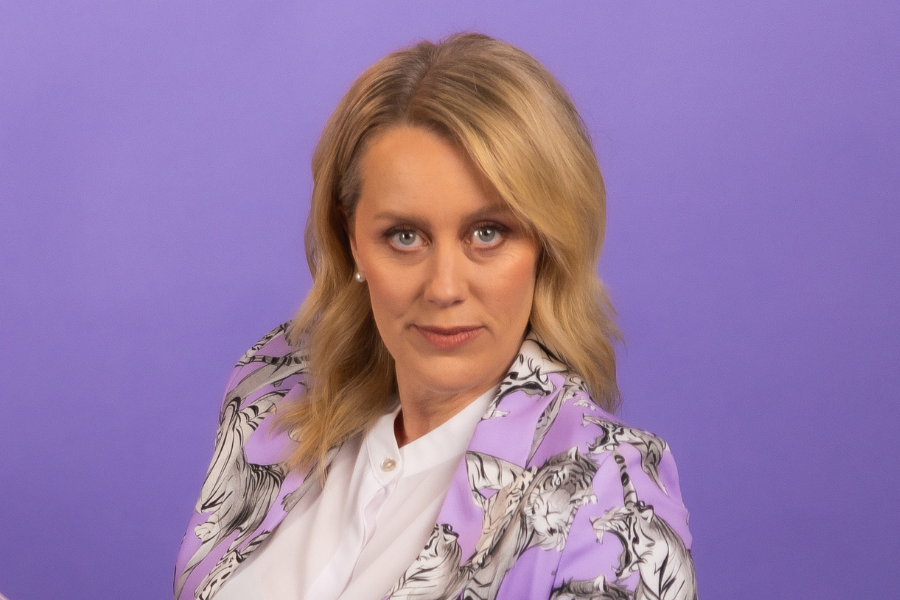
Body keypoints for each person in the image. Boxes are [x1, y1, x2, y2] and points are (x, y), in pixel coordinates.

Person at [174, 33, 697, 600]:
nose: (444, 288)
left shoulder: (608, 494)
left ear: (548, 244)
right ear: (352, 242)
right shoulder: (272, 391)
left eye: (488, 233)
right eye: (404, 236)